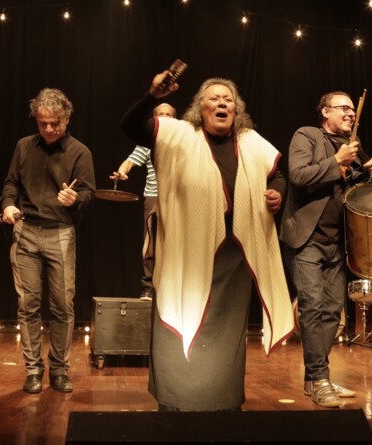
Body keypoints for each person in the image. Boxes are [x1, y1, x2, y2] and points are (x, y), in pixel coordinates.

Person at [121, 72, 294, 411]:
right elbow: (129, 127)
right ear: (200, 109)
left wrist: (278, 193)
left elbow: (277, 175)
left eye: (227, 100)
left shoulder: (251, 141)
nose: (221, 103)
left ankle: (224, 402)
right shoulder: (177, 135)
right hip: (184, 253)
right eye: (213, 99)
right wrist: (151, 95)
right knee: (178, 316)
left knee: (226, 335)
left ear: (237, 109)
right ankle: (175, 400)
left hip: (234, 256)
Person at [280, 91, 372, 408]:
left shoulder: (354, 146)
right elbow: (298, 176)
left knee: (331, 312)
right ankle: (319, 378)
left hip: (339, 242)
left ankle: (316, 379)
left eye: (353, 109)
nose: (351, 113)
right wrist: (337, 160)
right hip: (307, 239)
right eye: (344, 108)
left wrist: (369, 173)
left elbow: (356, 193)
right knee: (311, 308)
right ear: (325, 111)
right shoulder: (307, 135)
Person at [0, 88, 95, 394]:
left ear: (66, 118)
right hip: (25, 230)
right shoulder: (24, 146)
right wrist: (7, 205)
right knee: (28, 304)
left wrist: (74, 198)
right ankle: (32, 369)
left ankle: (59, 368)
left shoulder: (80, 152)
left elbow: (90, 193)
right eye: (43, 123)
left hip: (60, 233)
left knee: (62, 306)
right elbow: (11, 183)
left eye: (54, 123)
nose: (49, 129)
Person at [111, 103, 177, 301]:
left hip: (176, 197)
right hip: (153, 196)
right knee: (150, 242)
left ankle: (173, 288)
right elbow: (130, 161)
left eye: (168, 115)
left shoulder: (182, 140)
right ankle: (148, 286)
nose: (164, 118)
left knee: (176, 242)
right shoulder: (148, 141)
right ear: (153, 118)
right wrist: (122, 172)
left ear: (175, 119)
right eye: (160, 115)